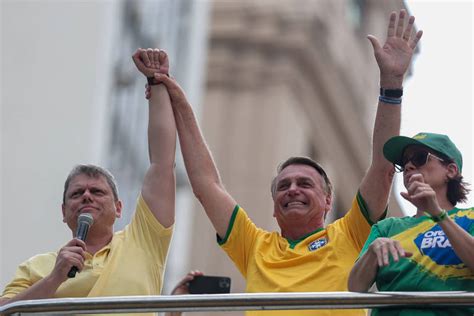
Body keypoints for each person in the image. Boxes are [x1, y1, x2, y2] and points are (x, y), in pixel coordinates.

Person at [147, 9, 422, 316]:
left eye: (305, 184)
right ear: (274, 209)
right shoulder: (255, 247)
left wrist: (392, 84)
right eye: (283, 186)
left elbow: (383, 169)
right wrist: (179, 100)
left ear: (329, 200)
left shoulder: (349, 234)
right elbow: (205, 184)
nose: (292, 189)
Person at [0, 48, 177, 313]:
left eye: (97, 191)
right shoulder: (36, 267)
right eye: (76, 193)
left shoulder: (143, 242)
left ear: (119, 208)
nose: (86, 196)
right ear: (63, 212)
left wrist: (158, 83)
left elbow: (162, 163)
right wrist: (55, 277)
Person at [348, 132, 473, 315]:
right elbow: (355, 288)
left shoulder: (470, 217)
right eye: (404, 162)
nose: (408, 165)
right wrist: (372, 251)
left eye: (420, 157)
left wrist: (438, 214)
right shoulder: (387, 227)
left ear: (451, 170)